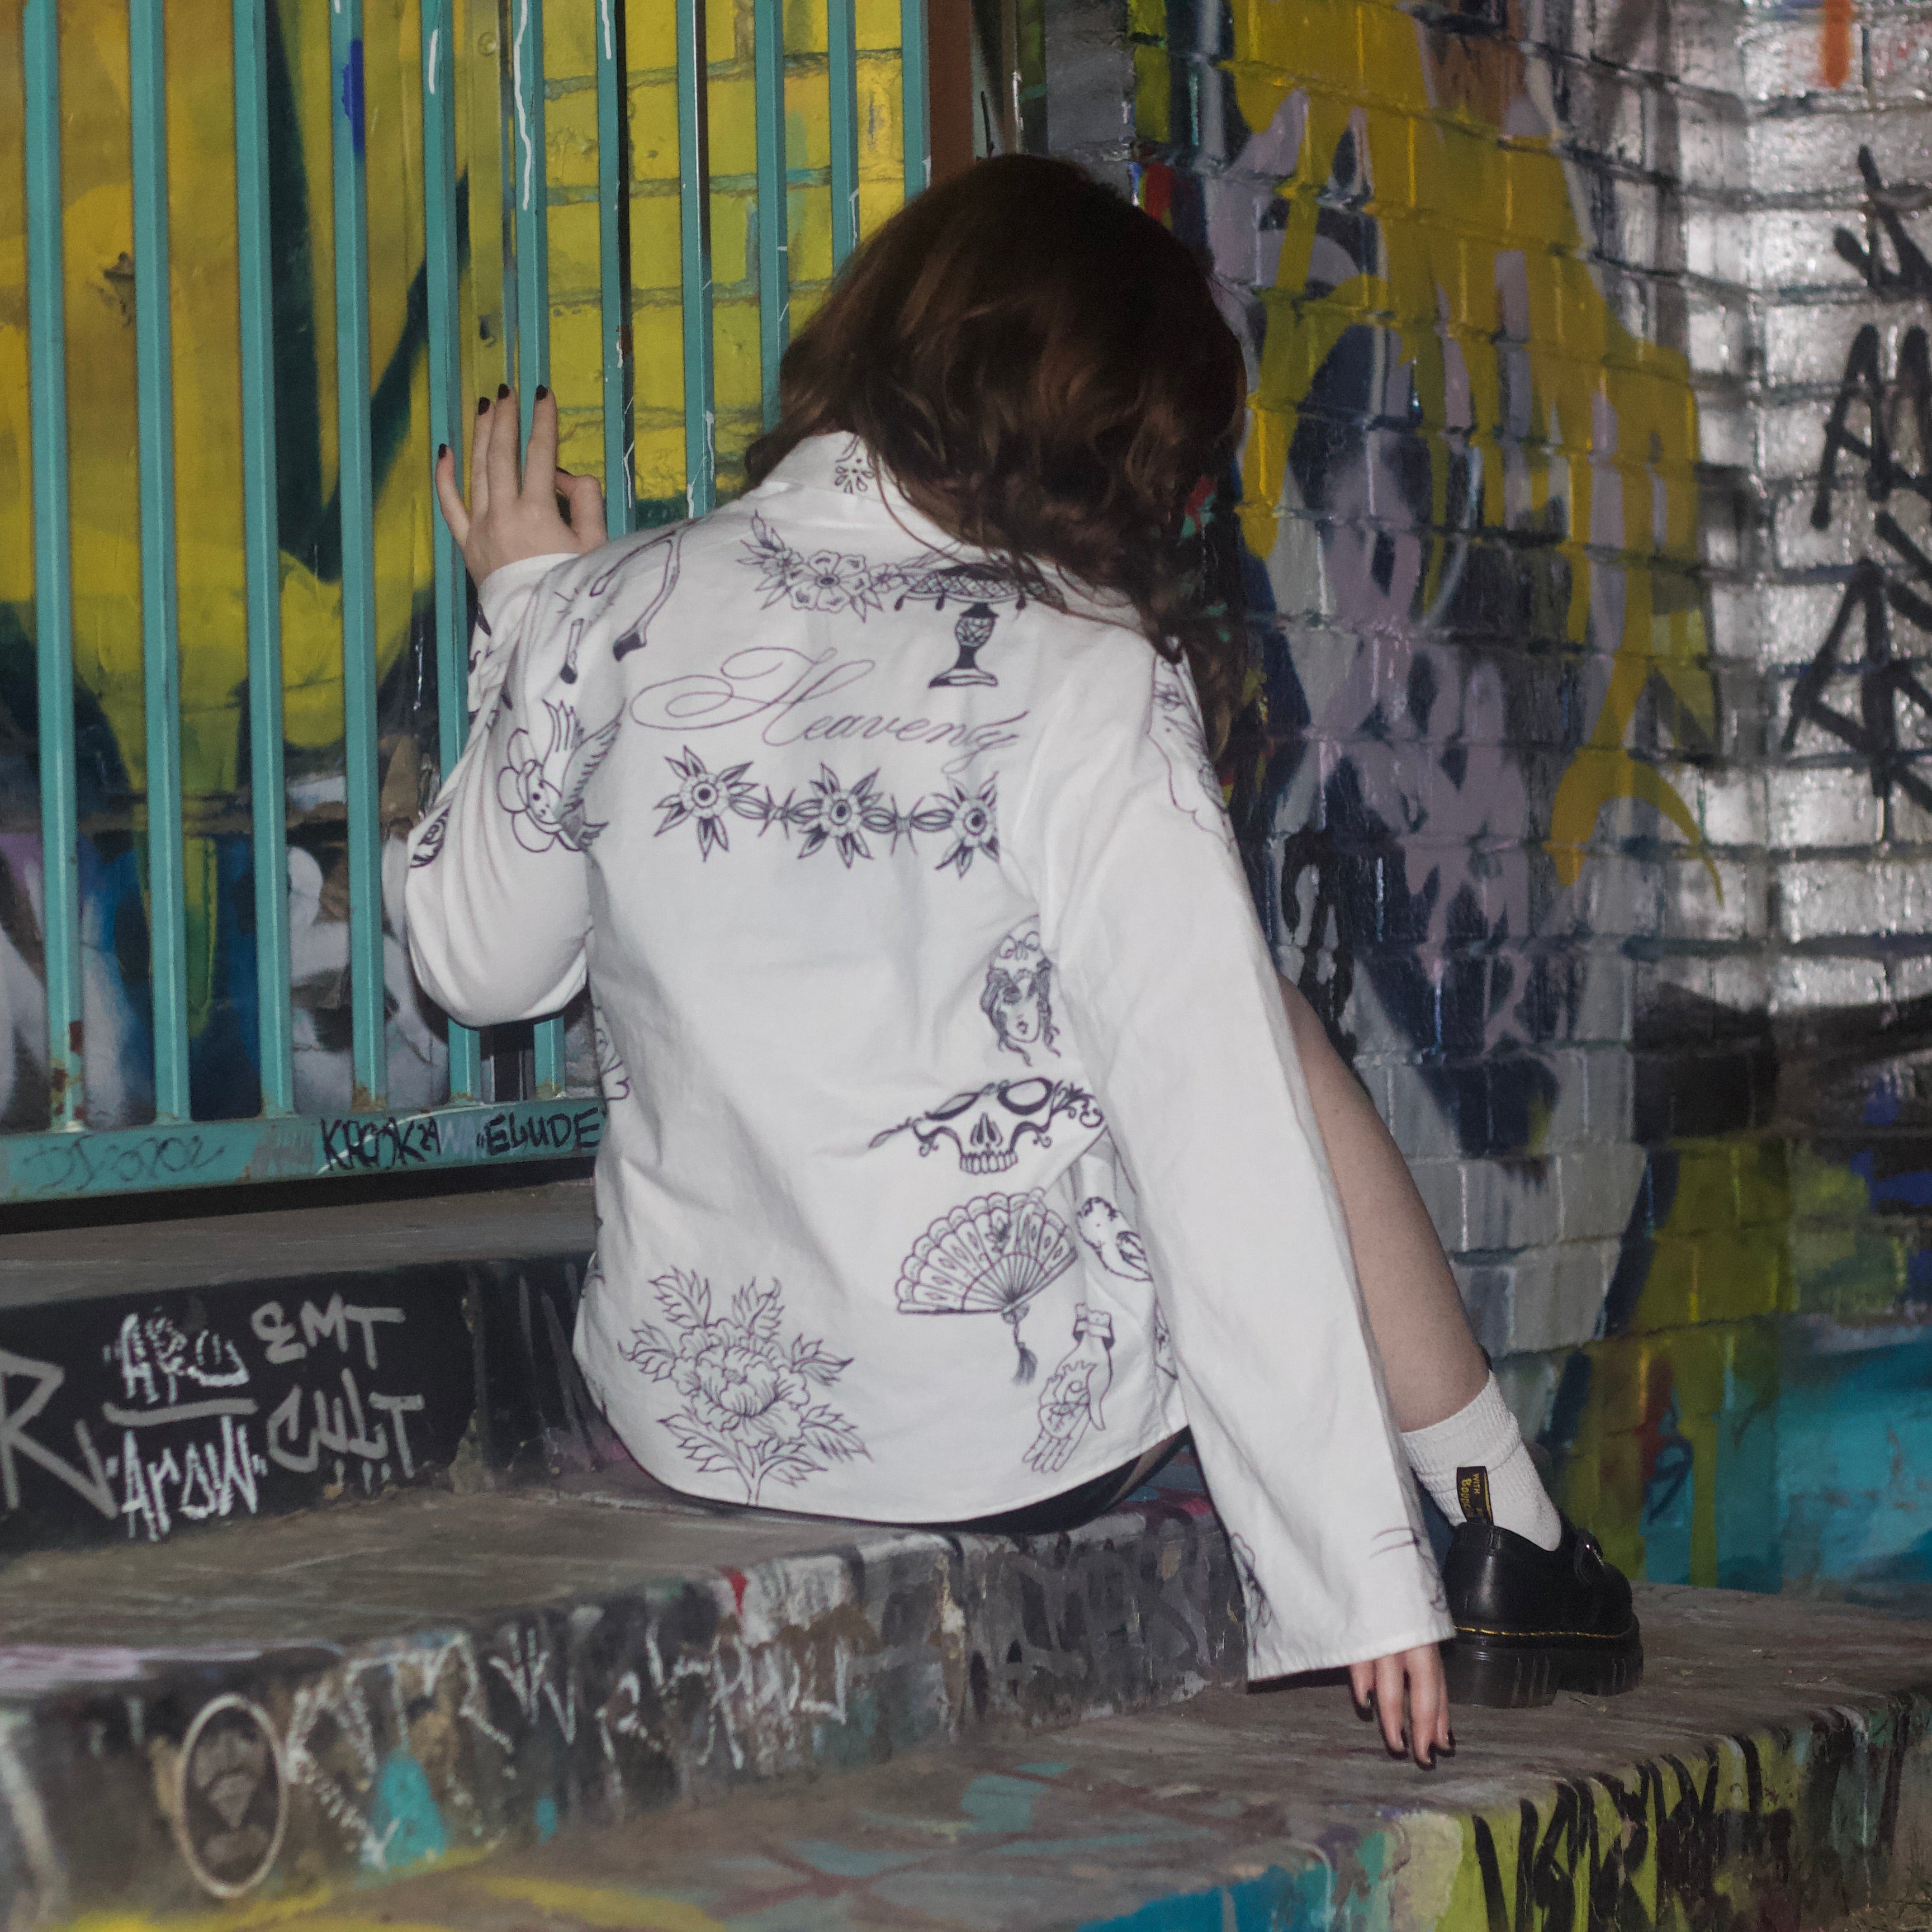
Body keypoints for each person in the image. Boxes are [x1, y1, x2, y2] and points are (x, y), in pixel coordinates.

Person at [409, 155, 1638, 1765]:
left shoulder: (614, 608)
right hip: (1000, 1449)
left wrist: (523, 611)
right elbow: (1216, 1137)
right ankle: (1502, 1518)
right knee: (1246, 1021)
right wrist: (1357, 1566)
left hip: (691, 1425)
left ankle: (1500, 1521)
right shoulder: (1084, 683)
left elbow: (477, 964)